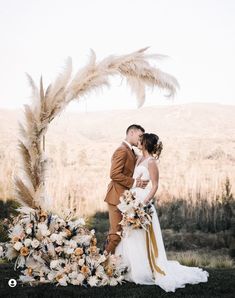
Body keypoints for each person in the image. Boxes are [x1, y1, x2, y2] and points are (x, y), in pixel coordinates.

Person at [115, 133, 209, 292]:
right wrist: (129, 200)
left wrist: (143, 204)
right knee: (130, 236)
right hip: (131, 201)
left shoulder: (151, 162)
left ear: (146, 144)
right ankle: (130, 268)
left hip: (142, 203)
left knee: (142, 236)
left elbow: (155, 185)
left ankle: (144, 270)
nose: (138, 142)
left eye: (141, 140)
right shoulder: (139, 159)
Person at [104, 124, 148, 254]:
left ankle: (111, 263)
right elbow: (114, 174)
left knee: (122, 233)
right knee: (116, 235)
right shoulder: (122, 150)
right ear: (131, 133)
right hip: (116, 197)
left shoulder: (131, 151)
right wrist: (135, 182)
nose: (141, 140)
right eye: (140, 136)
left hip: (125, 199)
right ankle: (100, 264)